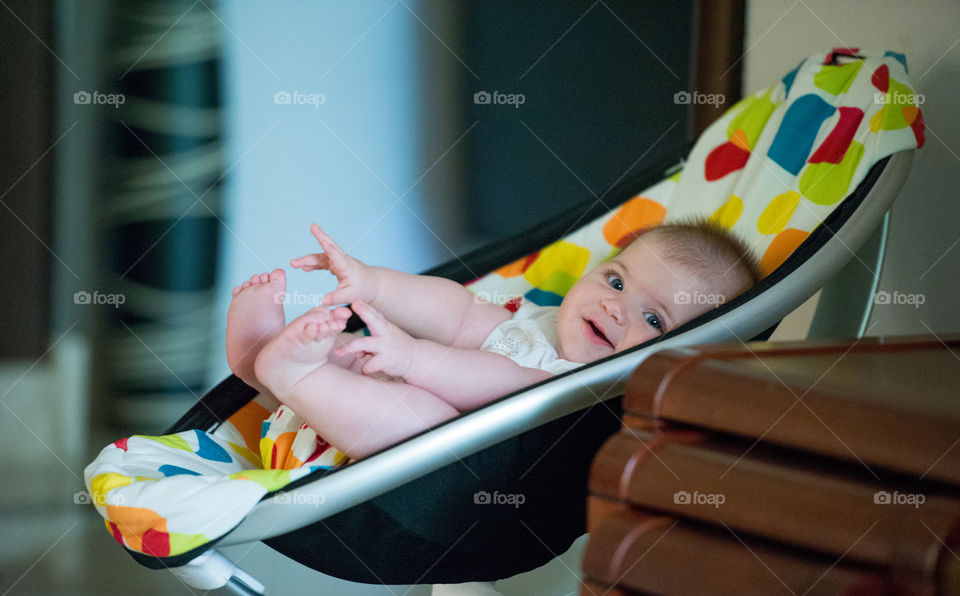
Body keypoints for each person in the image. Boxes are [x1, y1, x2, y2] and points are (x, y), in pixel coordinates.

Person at [226, 221, 760, 460]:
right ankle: (265, 364)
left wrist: (411, 356)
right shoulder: (536, 322)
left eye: (655, 321)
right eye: (616, 282)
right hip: (319, 423)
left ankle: (292, 374)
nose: (615, 309)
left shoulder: (587, 387)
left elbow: (504, 383)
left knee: (426, 419)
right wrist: (373, 284)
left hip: (398, 473)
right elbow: (456, 310)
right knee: (356, 355)